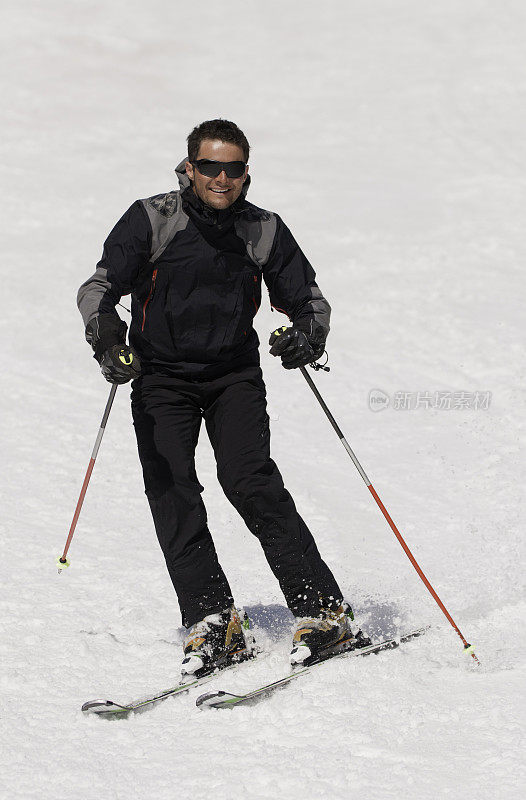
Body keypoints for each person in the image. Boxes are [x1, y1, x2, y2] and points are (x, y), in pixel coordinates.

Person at [77, 118, 365, 676]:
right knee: (171, 488)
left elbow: (307, 299)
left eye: (233, 168)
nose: (221, 178)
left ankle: (324, 611)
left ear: (246, 173)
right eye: (210, 166)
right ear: (189, 168)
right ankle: (213, 621)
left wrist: (307, 336)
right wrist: (109, 342)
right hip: (160, 377)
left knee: (249, 481)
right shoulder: (153, 218)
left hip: (232, 375)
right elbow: (99, 289)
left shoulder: (262, 229)